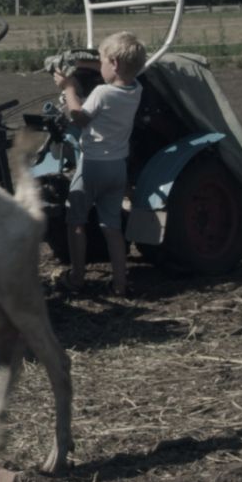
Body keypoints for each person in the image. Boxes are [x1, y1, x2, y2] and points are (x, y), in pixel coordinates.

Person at [54, 31, 146, 296]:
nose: (100, 66)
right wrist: (86, 64)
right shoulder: (136, 89)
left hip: (92, 166)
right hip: (118, 168)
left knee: (76, 220)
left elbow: (78, 117)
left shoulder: (102, 93)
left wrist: (68, 87)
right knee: (111, 225)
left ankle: (76, 278)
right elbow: (118, 71)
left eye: (103, 61)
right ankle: (120, 283)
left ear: (114, 63)